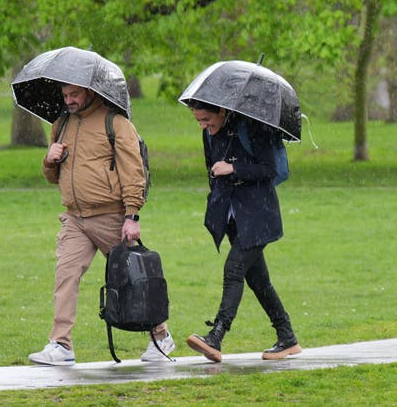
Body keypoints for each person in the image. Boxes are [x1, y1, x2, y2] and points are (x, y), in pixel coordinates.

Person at [28, 83, 175, 366]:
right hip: (74, 218)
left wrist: (132, 215)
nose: (69, 100)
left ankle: (161, 336)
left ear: (90, 91)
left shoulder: (116, 123)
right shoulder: (60, 124)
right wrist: (49, 160)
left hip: (111, 217)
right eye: (65, 95)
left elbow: (133, 171)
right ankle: (61, 344)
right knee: (65, 276)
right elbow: (53, 176)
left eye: (74, 95)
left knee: (133, 279)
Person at [184, 99, 301, 363]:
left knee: (234, 269)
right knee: (258, 281)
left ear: (222, 111)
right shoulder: (209, 134)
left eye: (206, 120)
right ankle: (288, 338)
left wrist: (233, 168)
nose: (203, 125)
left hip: (259, 216)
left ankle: (216, 336)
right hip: (232, 218)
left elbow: (268, 169)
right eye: (198, 120)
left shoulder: (253, 128)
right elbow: (210, 169)